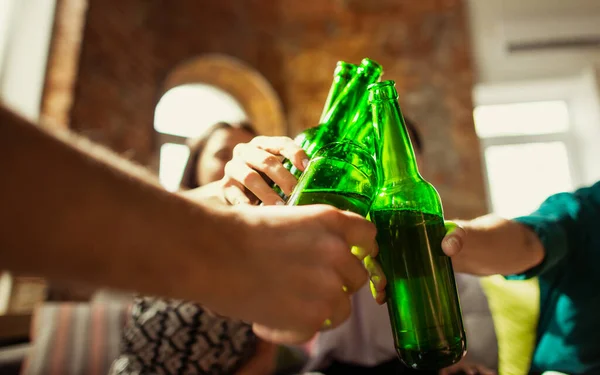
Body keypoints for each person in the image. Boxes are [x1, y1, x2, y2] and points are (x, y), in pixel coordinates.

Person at [0, 104, 379, 344]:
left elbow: (281, 330)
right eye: (224, 152)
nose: (246, 161)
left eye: (253, 149)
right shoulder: (174, 220)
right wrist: (223, 221)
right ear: (195, 161)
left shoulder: (277, 237)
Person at [221, 120, 499, 375]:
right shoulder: (324, 228)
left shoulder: (440, 246)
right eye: (370, 158)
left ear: (417, 162)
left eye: (393, 158)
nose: (381, 170)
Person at [112, 121, 278, 375]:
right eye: (223, 154)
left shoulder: (268, 249)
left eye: (248, 157)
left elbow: (266, 354)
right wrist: (216, 196)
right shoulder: (166, 216)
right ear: (197, 161)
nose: (237, 166)